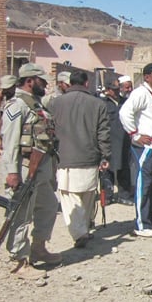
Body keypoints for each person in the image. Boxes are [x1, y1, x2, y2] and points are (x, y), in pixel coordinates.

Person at [0, 62, 62, 278]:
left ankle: (38, 248)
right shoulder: (17, 106)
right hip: (24, 169)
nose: (44, 84)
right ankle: (19, 260)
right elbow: (10, 141)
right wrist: (12, 172)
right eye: (41, 80)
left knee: (49, 205)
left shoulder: (35, 104)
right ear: (29, 81)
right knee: (21, 214)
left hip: (41, 168)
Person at [51, 70, 110, 247]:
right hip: (90, 157)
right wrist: (105, 155)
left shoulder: (55, 103)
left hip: (65, 158)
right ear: (86, 84)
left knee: (70, 197)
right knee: (87, 196)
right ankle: (83, 229)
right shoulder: (98, 104)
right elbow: (103, 133)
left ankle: (79, 232)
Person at [119, 63, 152, 237]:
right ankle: (141, 224)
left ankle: (151, 219)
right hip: (146, 147)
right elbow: (125, 113)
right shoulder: (140, 93)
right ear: (147, 76)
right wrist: (135, 134)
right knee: (144, 185)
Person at [102, 79, 133, 204]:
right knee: (107, 169)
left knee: (124, 168)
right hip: (108, 140)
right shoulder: (103, 103)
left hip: (124, 140)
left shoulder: (125, 102)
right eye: (113, 89)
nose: (115, 92)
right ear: (108, 90)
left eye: (117, 89)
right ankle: (107, 196)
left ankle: (124, 195)